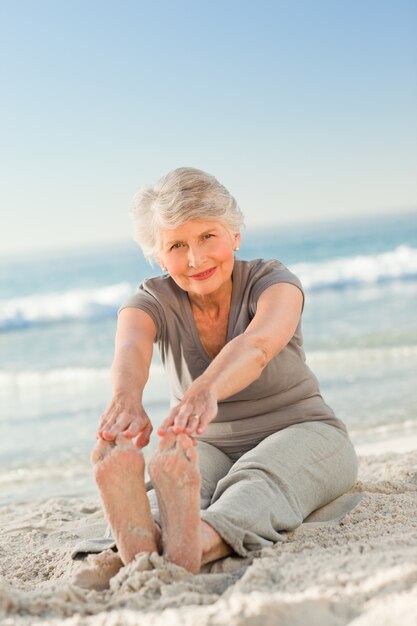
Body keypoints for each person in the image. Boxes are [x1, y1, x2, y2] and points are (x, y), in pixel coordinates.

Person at [92, 167, 358, 575]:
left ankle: (188, 539)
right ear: (158, 255)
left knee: (260, 477)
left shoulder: (273, 282)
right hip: (204, 443)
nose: (195, 259)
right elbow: (130, 348)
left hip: (303, 430)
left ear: (235, 235)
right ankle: (154, 532)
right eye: (177, 245)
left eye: (207, 237)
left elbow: (259, 344)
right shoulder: (149, 300)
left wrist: (204, 390)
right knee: (181, 480)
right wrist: (125, 401)